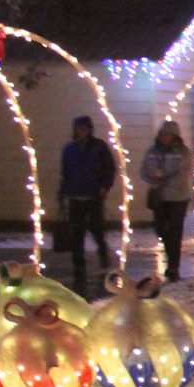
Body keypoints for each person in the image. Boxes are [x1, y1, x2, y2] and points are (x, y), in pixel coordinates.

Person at [57, 115, 116, 295]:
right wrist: (62, 193)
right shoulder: (70, 149)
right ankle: (79, 267)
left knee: (96, 227)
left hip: (93, 195)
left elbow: (109, 168)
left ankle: (102, 249)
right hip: (75, 195)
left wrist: (105, 186)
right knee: (77, 234)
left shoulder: (99, 147)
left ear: (89, 129)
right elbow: (66, 173)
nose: (81, 131)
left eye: (84, 128)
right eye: (78, 128)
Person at [139, 120, 194, 281]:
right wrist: (153, 177)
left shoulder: (183, 152)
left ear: (174, 136)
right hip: (160, 196)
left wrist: (163, 175)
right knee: (160, 228)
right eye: (162, 134)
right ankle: (170, 251)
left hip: (178, 197)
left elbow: (183, 172)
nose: (164, 137)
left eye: (167, 134)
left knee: (175, 231)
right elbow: (144, 170)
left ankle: (173, 265)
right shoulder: (152, 151)